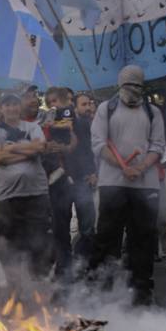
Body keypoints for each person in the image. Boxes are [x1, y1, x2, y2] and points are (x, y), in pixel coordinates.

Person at [90, 65, 165, 305]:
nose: (134, 90)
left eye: (138, 85)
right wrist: (122, 167)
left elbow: (157, 146)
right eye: (129, 85)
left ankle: (141, 293)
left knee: (143, 239)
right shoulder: (105, 109)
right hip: (112, 184)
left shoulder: (153, 112)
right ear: (120, 85)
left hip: (145, 186)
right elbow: (99, 144)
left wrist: (140, 168)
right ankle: (104, 292)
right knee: (107, 238)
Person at [0, 92, 51, 285]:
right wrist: (26, 151)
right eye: (7, 105)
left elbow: (40, 148)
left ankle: (38, 283)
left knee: (38, 242)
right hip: (5, 197)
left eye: (15, 105)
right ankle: (14, 287)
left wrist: (10, 149)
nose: (11, 109)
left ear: (19, 107)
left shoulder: (33, 127)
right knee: (8, 245)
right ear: (1, 108)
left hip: (35, 194)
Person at [43, 87, 80, 280]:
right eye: (49, 102)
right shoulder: (49, 118)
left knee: (71, 226)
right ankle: (60, 267)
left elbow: (70, 130)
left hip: (70, 177)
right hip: (52, 180)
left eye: (55, 101)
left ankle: (70, 267)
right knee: (56, 227)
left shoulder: (66, 113)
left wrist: (53, 124)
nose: (52, 105)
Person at [70, 92, 98, 265]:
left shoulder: (90, 123)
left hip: (86, 179)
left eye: (89, 104)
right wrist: (91, 172)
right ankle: (83, 262)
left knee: (88, 224)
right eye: (83, 104)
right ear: (75, 107)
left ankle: (85, 261)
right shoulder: (78, 124)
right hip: (80, 179)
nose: (88, 107)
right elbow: (83, 152)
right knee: (86, 226)